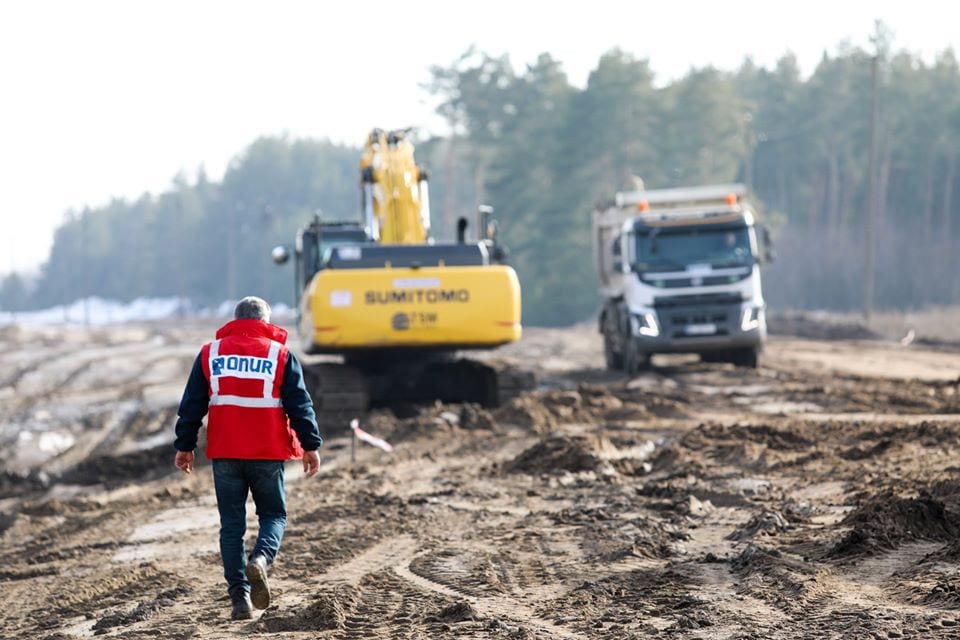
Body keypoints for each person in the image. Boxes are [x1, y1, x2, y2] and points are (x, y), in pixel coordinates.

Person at [173, 296, 322, 621]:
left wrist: (185, 445)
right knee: (273, 515)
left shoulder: (210, 353)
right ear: (266, 323)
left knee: (231, 528)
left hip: (225, 453)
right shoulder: (279, 354)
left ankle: (240, 599)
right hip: (267, 454)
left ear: (236, 320)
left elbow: (192, 404)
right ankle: (261, 560)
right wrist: (311, 445)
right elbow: (300, 404)